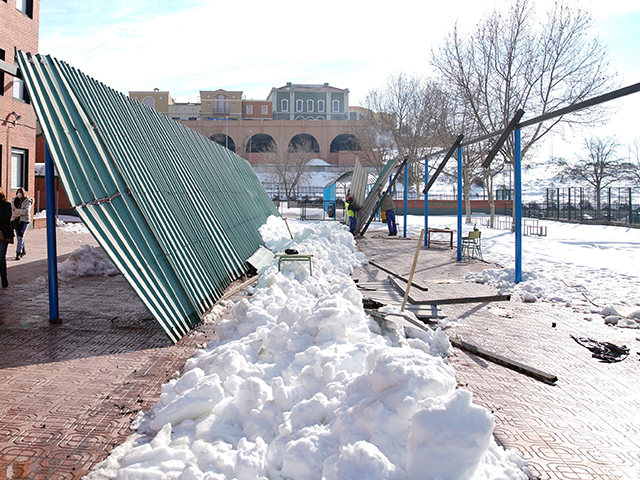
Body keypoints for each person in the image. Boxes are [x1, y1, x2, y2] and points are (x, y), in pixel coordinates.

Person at [12, 187, 32, 260]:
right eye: (18, 192)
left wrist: (16, 211)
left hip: (24, 221)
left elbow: (26, 211)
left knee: (20, 236)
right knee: (18, 237)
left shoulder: (27, 201)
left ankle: (18, 253)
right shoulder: (14, 201)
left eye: (20, 192)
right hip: (16, 221)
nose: (19, 194)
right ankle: (23, 249)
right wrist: (20, 212)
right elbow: (12, 212)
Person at [0, 188, 14, 288]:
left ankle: (4, 278)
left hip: (3, 234)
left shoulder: (6, 205)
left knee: (1, 257)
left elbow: (7, 217)